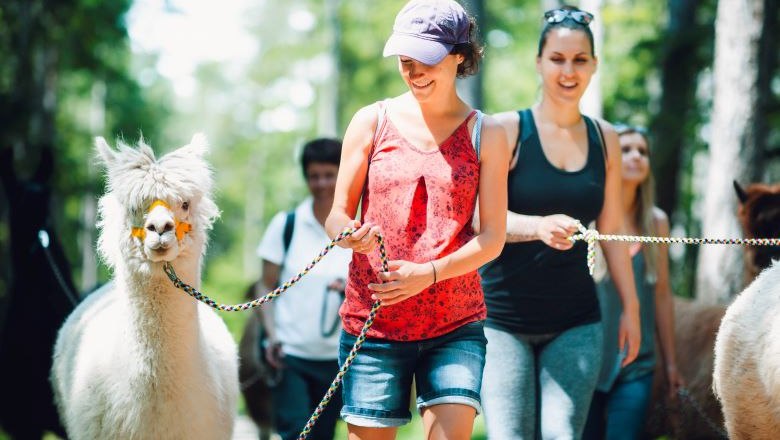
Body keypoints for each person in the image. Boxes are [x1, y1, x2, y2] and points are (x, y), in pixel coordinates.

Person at [324, 0, 509, 438]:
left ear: (460, 56)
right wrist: (348, 235)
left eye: (426, 60)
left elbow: (493, 238)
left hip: (455, 325)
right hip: (375, 322)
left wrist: (428, 274)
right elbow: (337, 215)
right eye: (405, 61)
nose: (414, 72)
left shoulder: (488, 133)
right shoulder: (372, 120)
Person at [479, 6, 642, 439]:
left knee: (564, 435)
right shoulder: (506, 129)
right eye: (557, 59)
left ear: (593, 65)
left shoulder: (605, 136)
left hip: (577, 319)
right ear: (538, 62)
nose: (568, 71)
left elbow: (614, 225)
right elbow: (480, 217)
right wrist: (536, 227)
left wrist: (632, 307)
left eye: (579, 60)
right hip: (502, 319)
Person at [582, 125, 684, 440]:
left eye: (642, 151)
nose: (636, 156)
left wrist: (670, 364)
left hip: (637, 365)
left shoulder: (658, 222)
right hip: (586, 362)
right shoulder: (588, 215)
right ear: (610, 159)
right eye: (626, 150)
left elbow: (663, 295)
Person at [255, 138, 351, 440]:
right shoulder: (287, 225)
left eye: (329, 174)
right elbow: (265, 286)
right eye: (314, 176)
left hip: (339, 360)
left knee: (323, 435)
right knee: (295, 432)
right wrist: (271, 337)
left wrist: (350, 289)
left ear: (342, 175)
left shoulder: (357, 229)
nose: (321, 183)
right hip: (291, 355)